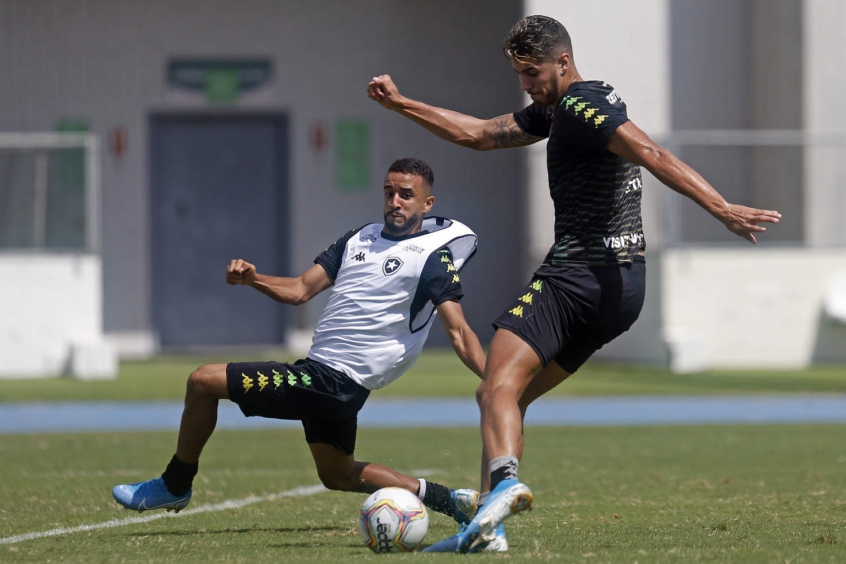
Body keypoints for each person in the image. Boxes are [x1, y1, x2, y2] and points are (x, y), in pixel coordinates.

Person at [367, 15, 782, 553]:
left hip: (579, 275)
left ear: (563, 62)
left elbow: (652, 153)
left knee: (496, 385)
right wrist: (402, 104)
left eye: (533, 72)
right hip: (622, 292)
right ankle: (488, 529)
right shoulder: (558, 109)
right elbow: (479, 134)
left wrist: (721, 207)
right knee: (499, 395)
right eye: (519, 75)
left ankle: (506, 484)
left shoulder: (585, 108)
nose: (526, 84)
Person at [112, 157, 488, 533]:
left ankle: (175, 484)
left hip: (333, 381)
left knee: (202, 381)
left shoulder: (433, 258)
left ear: (427, 204)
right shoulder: (360, 238)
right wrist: (254, 279)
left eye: (407, 195)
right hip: (325, 376)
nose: (395, 201)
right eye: (389, 192)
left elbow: (458, 330)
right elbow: (300, 289)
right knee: (337, 475)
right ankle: (449, 499)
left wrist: (496, 380)